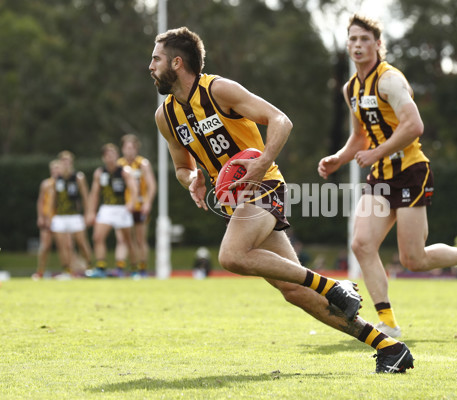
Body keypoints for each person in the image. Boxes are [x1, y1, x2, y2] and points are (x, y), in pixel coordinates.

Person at [149, 26, 413, 373]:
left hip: (264, 187)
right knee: (296, 291)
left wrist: (260, 165)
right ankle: (389, 347)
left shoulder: (218, 89)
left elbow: (280, 121)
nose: (150, 65)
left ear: (177, 62)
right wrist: (194, 180)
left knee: (231, 255)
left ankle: (332, 286)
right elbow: (182, 167)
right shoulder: (165, 116)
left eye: (156, 59)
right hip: (236, 203)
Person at [318, 14, 457, 338]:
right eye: (353, 39)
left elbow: (414, 126)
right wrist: (338, 158)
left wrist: (376, 152)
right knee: (361, 244)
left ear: (377, 44)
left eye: (364, 39)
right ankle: (387, 322)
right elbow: (360, 136)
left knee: (413, 259)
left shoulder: (390, 80)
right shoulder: (351, 89)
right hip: (381, 175)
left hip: (411, 171)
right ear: (348, 44)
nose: (358, 45)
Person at [86, 143, 139, 278]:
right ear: (103, 157)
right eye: (107, 155)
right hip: (107, 208)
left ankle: (134, 269)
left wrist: (131, 203)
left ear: (117, 155)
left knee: (128, 241)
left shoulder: (124, 171)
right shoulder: (99, 173)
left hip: (122, 208)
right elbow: (95, 193)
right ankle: (101, 267)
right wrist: (91, 212)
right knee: (97, 237)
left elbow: (134, 189)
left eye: (113, 154)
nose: (110, 157)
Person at [115, 133, 157, 278]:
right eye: (127, 148)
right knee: (122, 239)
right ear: (122, 149)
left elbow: (151, 185)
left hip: (139, 206)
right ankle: (120, 267)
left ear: (136, 149)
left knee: (140, 239)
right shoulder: (118, 165)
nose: (129, 151)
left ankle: (142, 268)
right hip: (123, 207)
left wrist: (147, 203)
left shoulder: (142, 164)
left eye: (132, 148)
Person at [50, 151, 93, 278]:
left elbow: (85, 197)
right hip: (60, 216)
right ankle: (67, 270)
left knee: (82, 242)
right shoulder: (56, 179)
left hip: (74, 215)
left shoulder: (78, 177)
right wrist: (50, 216)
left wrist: (88, 213)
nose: (66, 164)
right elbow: (53, 199)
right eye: (63, 161)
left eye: (68, 161)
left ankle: (90, 267)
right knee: (62, 245)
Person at [33, 160, 62, 280]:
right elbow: (41, 201)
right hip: (47, 219)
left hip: (60, 219)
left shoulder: (63, 184)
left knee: (65, 246)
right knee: (45, 246)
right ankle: (40, 271)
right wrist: (40, 217)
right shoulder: (46, 184)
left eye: (57, 169)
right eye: (53, 169)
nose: (55, 171)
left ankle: (69, 270)